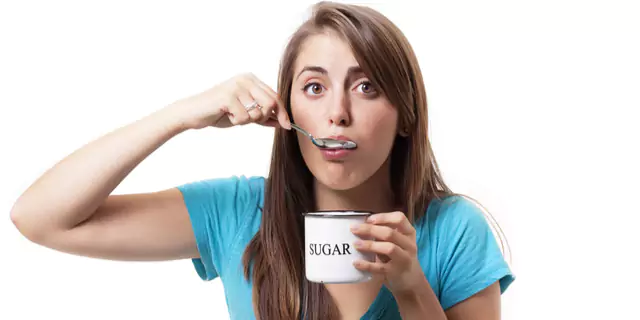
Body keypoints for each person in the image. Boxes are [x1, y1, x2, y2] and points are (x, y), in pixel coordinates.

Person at [10, 1, 514, 319]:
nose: (337, 113)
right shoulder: (236, 211)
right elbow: (41, 219)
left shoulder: (454, 231)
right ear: (289, 109)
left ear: (404, 114)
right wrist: (182, 115)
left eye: (366, 87)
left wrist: (411, 289)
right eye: (314, 87)